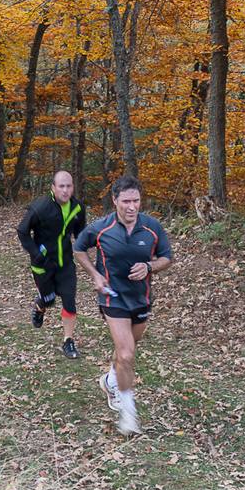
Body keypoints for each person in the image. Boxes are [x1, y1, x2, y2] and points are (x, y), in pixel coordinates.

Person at [73, 175, 174, 436]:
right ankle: (128, 413)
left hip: (140, 298)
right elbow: (79, 248)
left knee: (125, 351)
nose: (132, 206)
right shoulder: (101, 228)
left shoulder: (152, 228)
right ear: (115, 200)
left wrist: (149, 266)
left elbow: (167, 257)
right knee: (127, 354)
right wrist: (95, 275)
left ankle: (109, 380)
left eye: (136, 201)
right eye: (126, 201)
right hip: (112, 297)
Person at [17, 170, 87, 359]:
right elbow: (22, 231)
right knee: (49, 300)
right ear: (53, 188)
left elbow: (81, 234)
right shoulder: (40, 207)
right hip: (43, 265)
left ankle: (68, 341)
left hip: (66, 264)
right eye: (61, 186)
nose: (65, 190)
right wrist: (35, 253)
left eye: (69, 186)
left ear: (73, 187)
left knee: (69, 300)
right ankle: (40, 305)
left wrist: (90, 245)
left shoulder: (78, 207)